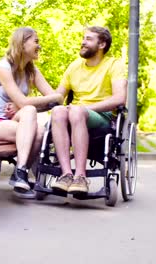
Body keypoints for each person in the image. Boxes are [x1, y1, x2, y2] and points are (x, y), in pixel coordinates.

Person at [0, 27, 63, 198]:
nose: (39, 46)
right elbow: (27, 102)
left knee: (37, 126)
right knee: (32, 117)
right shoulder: (4, 67)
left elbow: (55, 100)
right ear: (22, 43)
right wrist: (23, 105)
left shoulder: (32, 70)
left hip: (14, 120)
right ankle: (21, 172)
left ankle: (19, 174)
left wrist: (20, 106)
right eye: (36, 41)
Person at [50, 26, 127, 194]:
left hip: (101, 115)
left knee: (76, 111)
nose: (83, 42)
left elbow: (119, 98)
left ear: (101, 45)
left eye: (88, 39)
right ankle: (66, 174)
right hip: (75, 112)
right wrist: (26, 104)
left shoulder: (114, 65)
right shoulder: (74, 67)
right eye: (83, 38)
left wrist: (84, 108)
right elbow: (57, 97)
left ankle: (81, 177)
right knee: (57, 112)